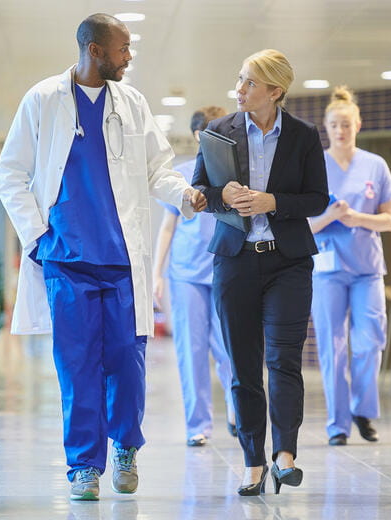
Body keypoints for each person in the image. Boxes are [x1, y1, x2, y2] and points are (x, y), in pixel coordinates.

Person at [0, 13, 206, 501]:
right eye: (122, 48)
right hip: (66, 261)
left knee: (128, 366)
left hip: (120, 262)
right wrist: (38, 239)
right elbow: (11, 173)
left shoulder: (131, 103)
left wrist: (186, 195)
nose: (129, 56)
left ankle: (126, 447)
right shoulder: (43, 99)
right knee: (77, 367)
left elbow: (158, 169)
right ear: (94, 49)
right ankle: (82, 467)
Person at [191, 49, 328, 497]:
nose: (240, 89)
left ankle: (284, 454)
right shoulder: (218, 132)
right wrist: (221, 194)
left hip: (288, 262)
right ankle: (253, 460)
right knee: (243, 367)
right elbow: (199, 192)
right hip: (235, 261)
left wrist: (274, 202)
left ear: (275, 90)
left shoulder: (304, 137)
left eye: (250, 82)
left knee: (283, 359)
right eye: (240, 80)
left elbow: (317, 199)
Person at [307, 86, 391, 447]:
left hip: (367, 269)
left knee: (369, 342)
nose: (340, 130)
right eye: (333, 125)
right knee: (333, 346)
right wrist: (329, 216)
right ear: (325, 128)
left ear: (358, 124)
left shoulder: (375, 165)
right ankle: (337, 424)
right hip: (327, 270)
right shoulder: (315, 167)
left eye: (346, 124)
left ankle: (363, 408)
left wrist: (358, 217)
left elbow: (389, 221)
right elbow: (303, 225)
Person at [152, 105, 236, 447]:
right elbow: (168, 227)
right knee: (192, 349)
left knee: (230, 349)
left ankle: (237, 412)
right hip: (186, 274)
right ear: (200, 135)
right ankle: (197, 425)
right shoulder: (181, 175)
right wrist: (156, 274)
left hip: (225, 271)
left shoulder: (234, 174)